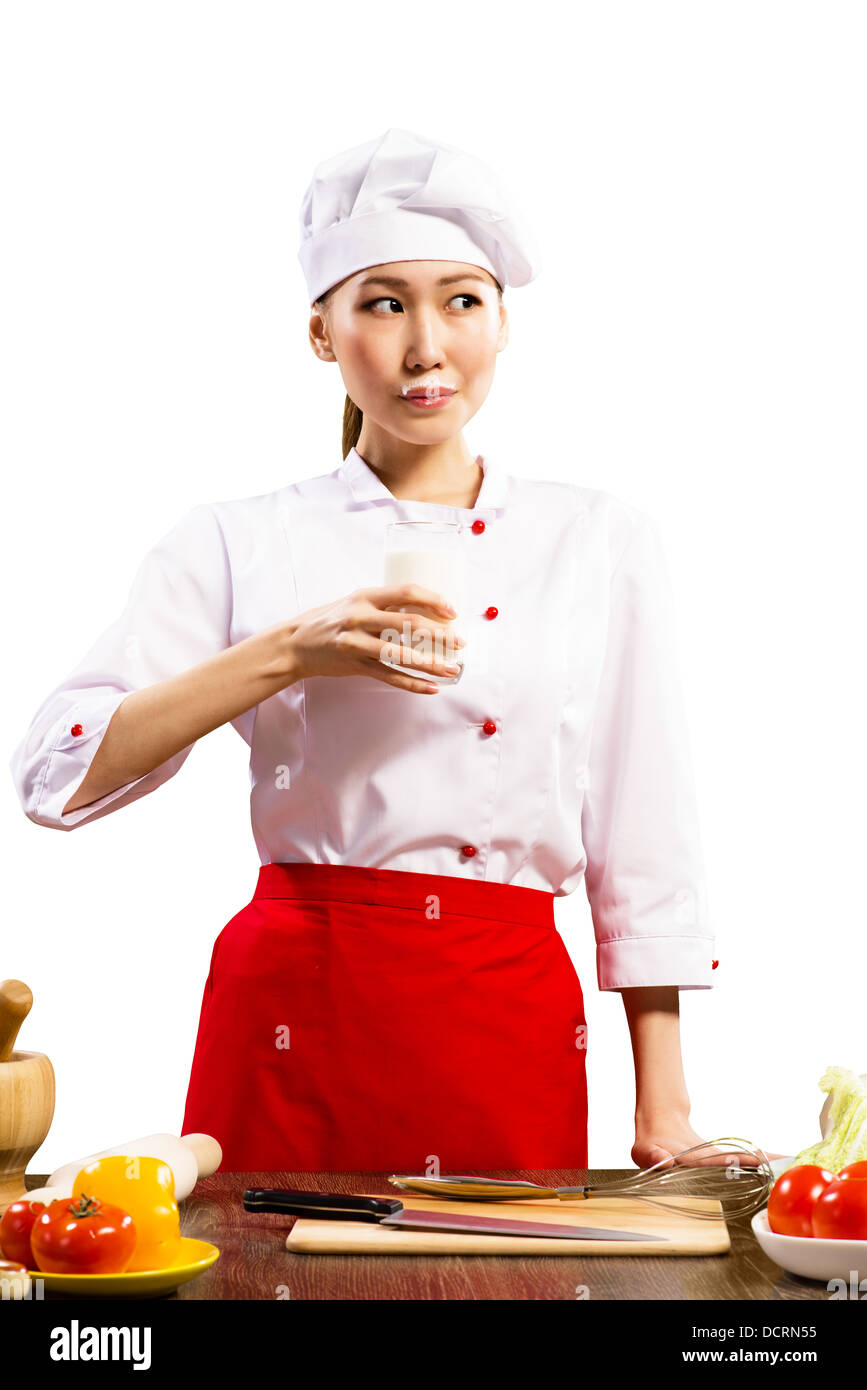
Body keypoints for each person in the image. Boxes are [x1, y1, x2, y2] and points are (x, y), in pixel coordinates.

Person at [8, 128, 767, 1174]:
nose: (426, 348)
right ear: (321, 331)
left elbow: (644, 834)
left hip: (503, 1014)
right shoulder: (241, 538)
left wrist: (665, 1106)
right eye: (382, 302)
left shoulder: (597, 539)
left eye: (462, 300)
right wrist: (286, 653)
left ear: (505, 322)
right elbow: (58, 769)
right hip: (295, 1010)